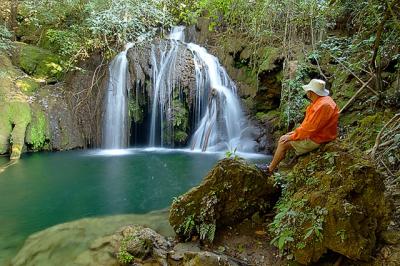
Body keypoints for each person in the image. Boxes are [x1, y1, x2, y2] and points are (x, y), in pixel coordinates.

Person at [265, 79, 339, 174]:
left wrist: (292, 136)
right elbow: (309, 125)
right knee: (286, 137)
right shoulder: (324, 100)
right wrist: (295, 133)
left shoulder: (322, 106)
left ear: (312, 92)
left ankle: (270, 169)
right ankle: (276, 165)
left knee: (283, 142)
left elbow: (310, 128)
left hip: (319, 138)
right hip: (321, 133)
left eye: (308, 90)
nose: (306, 92)